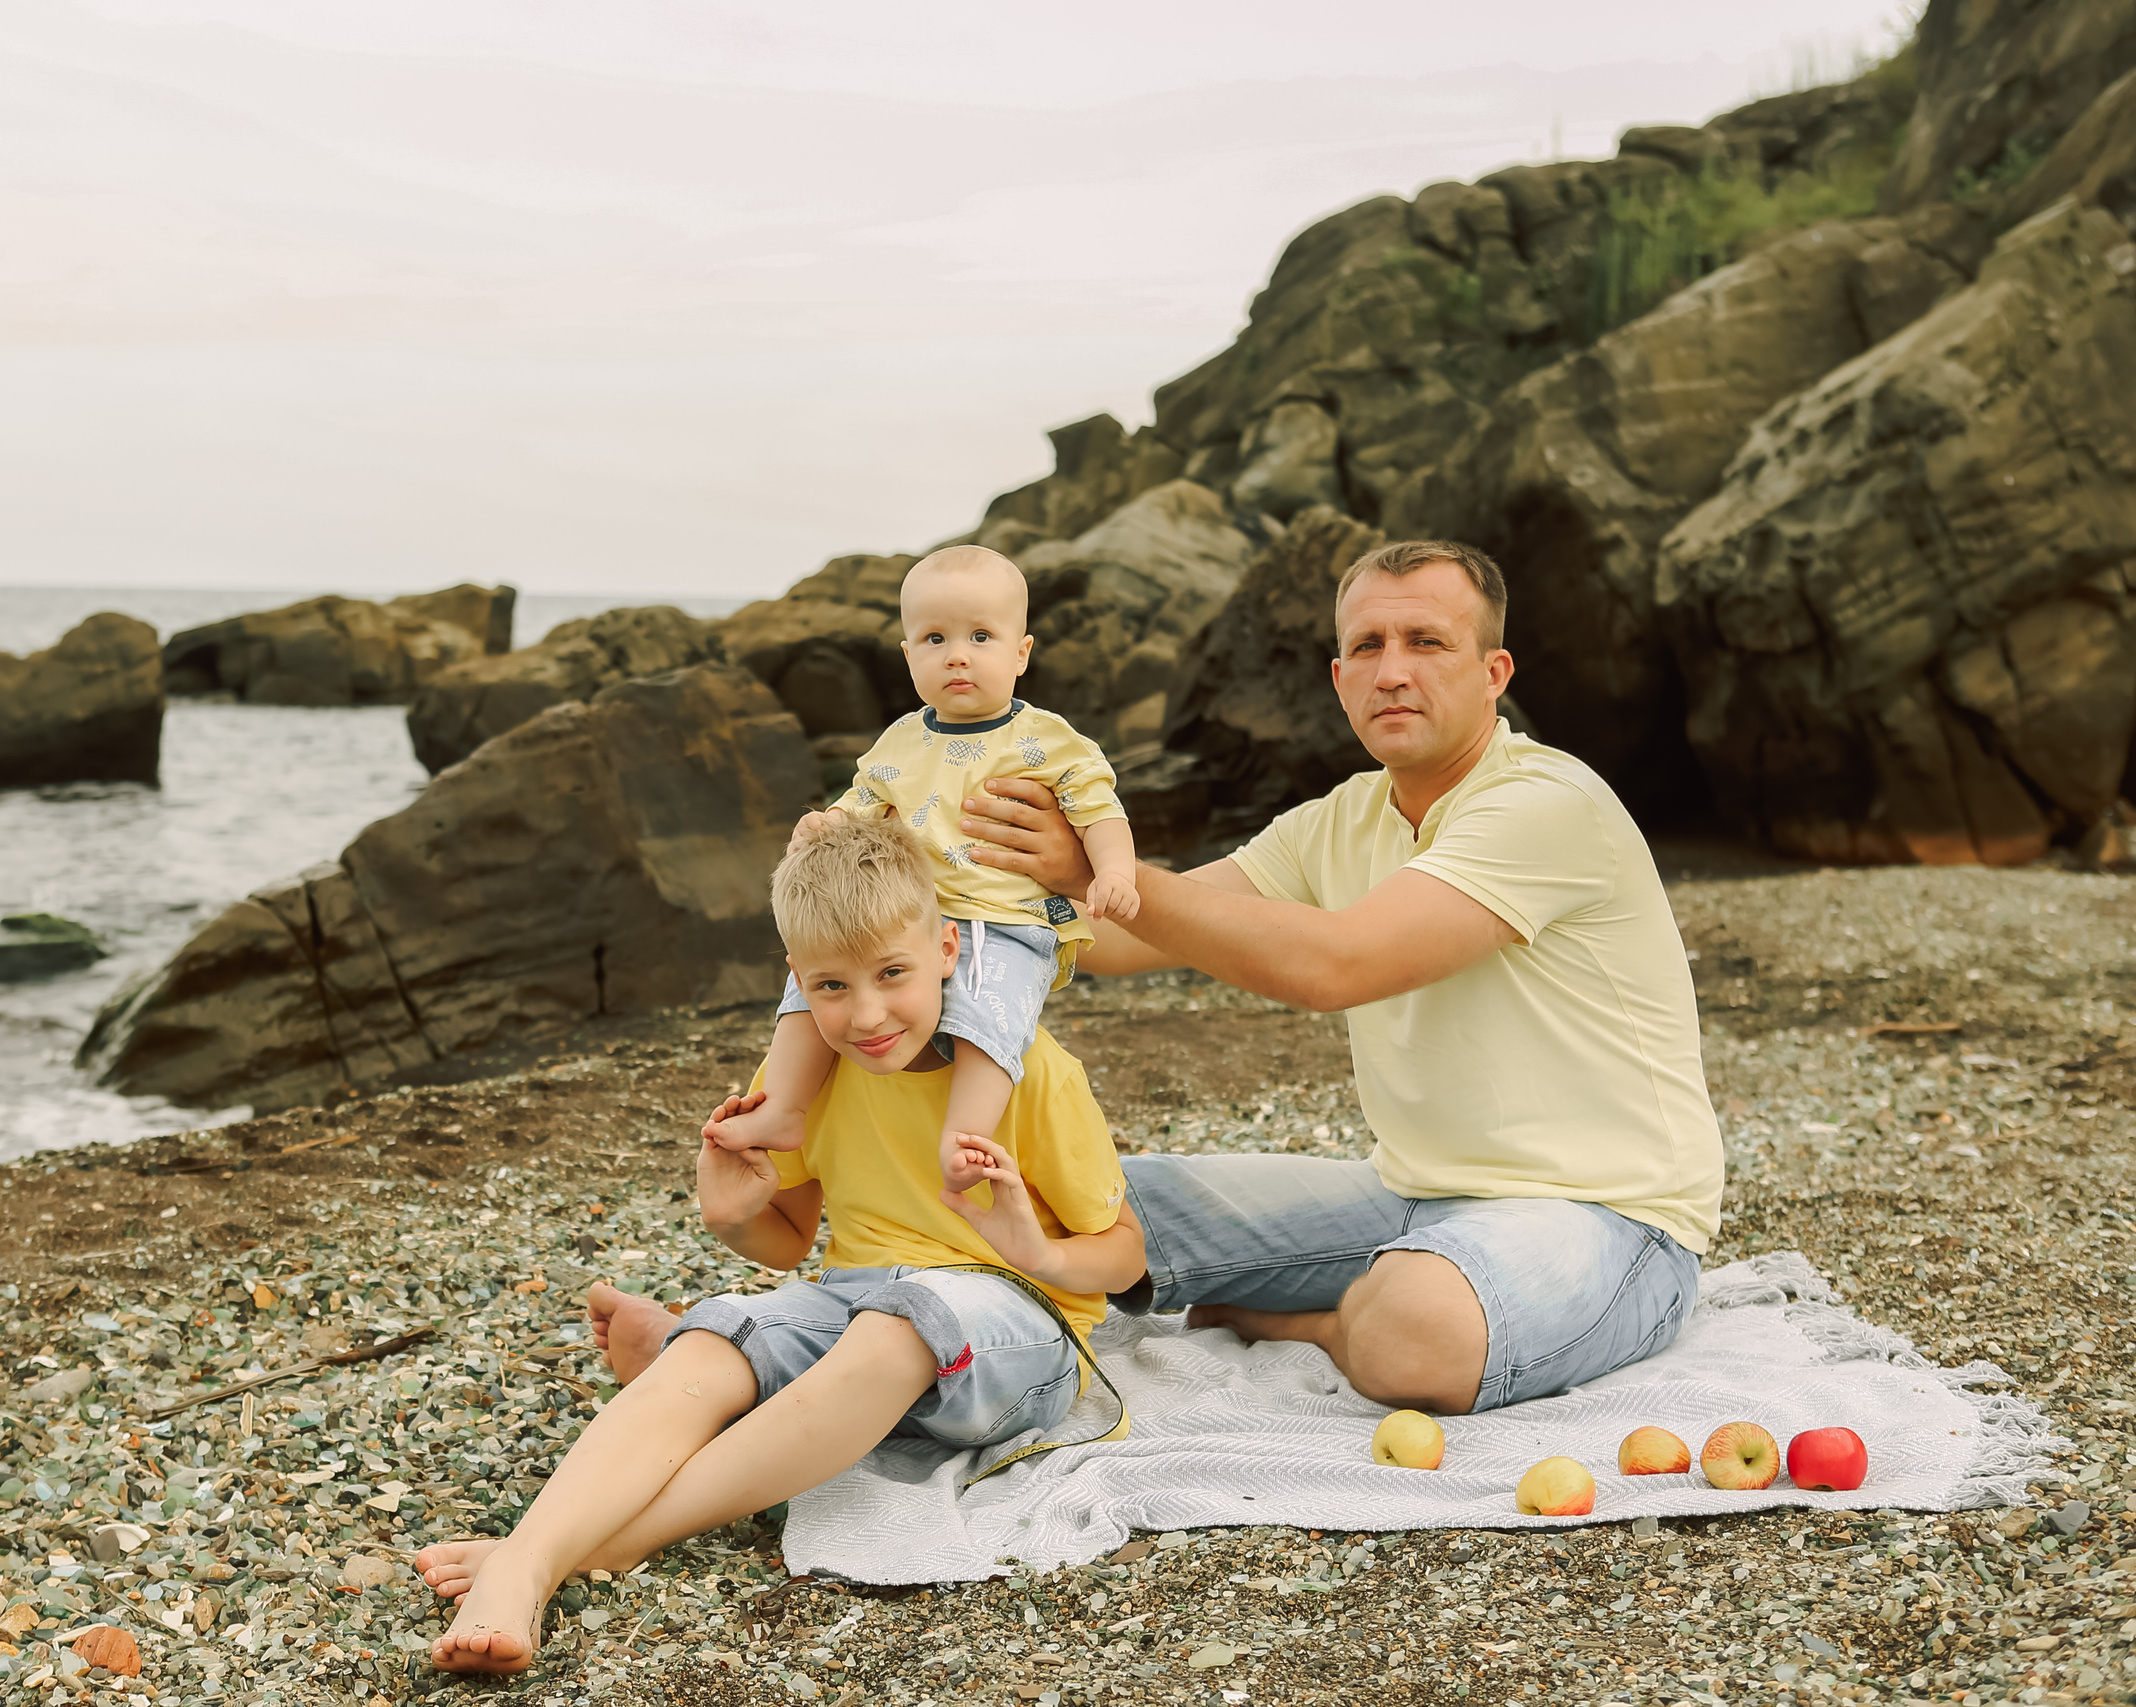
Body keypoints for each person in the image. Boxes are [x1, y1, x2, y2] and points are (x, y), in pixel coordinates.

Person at [957, 538, 1723, 1416]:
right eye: (1368, 646)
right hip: (1409, 1196)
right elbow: (1127, 937)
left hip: (1612, 1219)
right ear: (1338, 676)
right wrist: (939, 878)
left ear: (1493, 671)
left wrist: (1086, 870)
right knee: (1048, 1186)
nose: (1392, 670)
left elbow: (1338, 963)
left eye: (1426, 642)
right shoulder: (1337, 819)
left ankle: (1314, 1325)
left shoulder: (1547, 802)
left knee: (1414, 1328)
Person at [418, 812, 1143, 1674]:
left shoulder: (1030, 1070)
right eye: (832, 986)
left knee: (897, 1321)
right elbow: (789, 1242)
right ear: (798, 979)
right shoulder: (806, 1076)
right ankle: (529, 1558)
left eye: (893, 973)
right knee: (717, 1334)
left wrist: (1042, 1253)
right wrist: (732, 1216)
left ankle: (604, 1542)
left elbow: (1127, 1253)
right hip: (860, 1295)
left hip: (1021, 1329)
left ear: (949, 948)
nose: (867, 1013)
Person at [707, 543, 1140, 1194]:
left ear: (1021, 653)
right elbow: (863, 802)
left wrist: (1114, 873)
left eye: (981, 636)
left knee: (991, 1013)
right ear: (909, 656)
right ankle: (787, 1107)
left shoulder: (1047, 740)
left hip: (1008, 917)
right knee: (812, 981)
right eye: (935, 638)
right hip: (911, 917)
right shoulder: (902, 740)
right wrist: (825, 821)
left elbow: (1098, 809)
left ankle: (963, 1137)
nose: (957, 654)